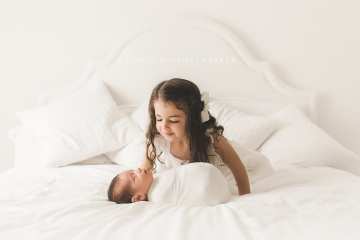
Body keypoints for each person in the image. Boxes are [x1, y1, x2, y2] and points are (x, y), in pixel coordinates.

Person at [141, 78, 250, 195]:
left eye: (173, 120)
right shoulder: (157, 141)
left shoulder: (213, 140)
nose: (164, 126)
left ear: (193, 119)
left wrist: (244, 196)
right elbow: (143, 172)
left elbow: (239, 170)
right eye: (159, 119)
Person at [107, 162, 232, 206]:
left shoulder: (155, 179)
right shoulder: (158, 196)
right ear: (138, 197)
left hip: (215, 180)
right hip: (214, 189)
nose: (138, 170)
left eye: (133, 170)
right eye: (134, 176)